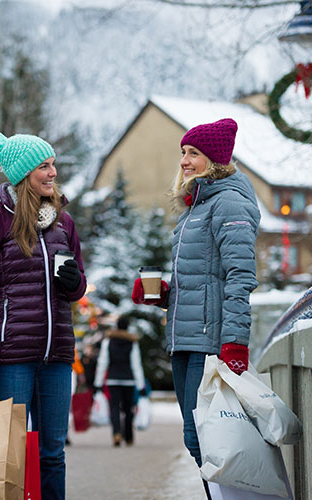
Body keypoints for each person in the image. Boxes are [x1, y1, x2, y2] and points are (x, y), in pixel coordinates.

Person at [131, 118, 259, 498]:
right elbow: (203, 279)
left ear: (215, 160)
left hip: (210, 342)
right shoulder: (195, 207)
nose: (184, 161)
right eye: (183, 153)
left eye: (194, 154)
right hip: (186, 338)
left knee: (209, 439)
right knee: (199, 440)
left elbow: (240, 276)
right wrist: (161, 294)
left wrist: (234, 341)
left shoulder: (230, 203)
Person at [0, 132, 87, 500]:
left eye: (53, 165)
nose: (52, 173)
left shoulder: (63, 222)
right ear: (23, 173)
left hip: (57, 357)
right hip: (11, 358)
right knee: (10, 455)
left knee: (53, 453)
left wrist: (74, 282)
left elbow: (78, 287)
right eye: (43, 167)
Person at [92, 316, 146, 447]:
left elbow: (103, 362)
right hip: (129, 380)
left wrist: (98, 382)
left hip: (113, 379)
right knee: (128, 409)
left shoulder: (108, 341)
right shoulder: (132, 342)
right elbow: (136, 364)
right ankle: (128, 437)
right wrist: (141, 384)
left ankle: (116, 433)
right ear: (127, 327)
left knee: (114, 407)